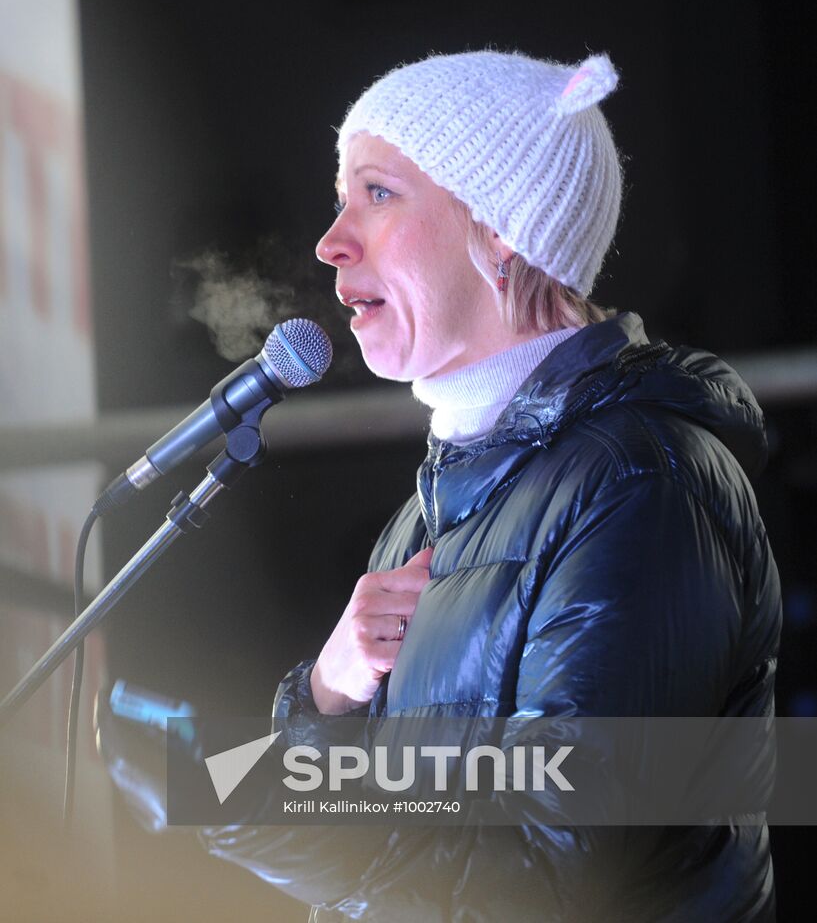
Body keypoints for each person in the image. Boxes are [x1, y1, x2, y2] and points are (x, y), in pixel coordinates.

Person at [109, 50, 782, 920]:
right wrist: (323, 699)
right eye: (340, 196)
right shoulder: (437, 511)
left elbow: (544, 879)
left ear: (502, 229)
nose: (330, 240)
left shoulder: (640, 485)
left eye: (377, 194)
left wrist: (248, 801)